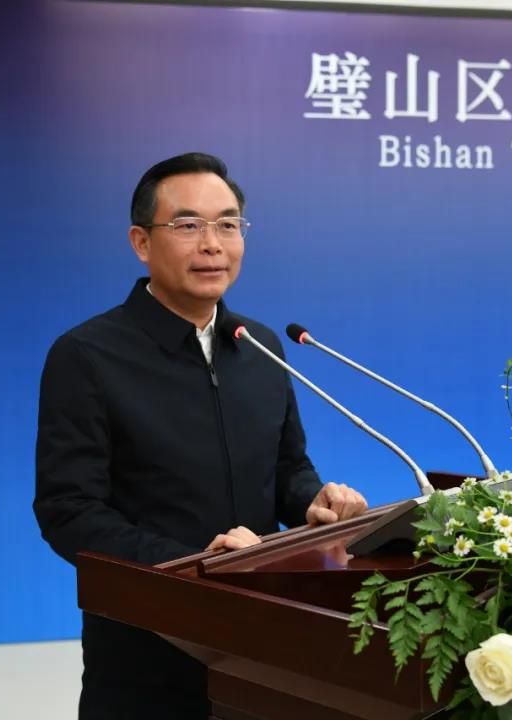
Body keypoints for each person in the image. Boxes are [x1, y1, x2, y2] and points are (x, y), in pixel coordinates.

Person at [33, 152, 369, 719]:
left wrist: (313, 502)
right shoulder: (87, 355)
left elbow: (287, 468)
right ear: (141, 242)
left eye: (228, 224)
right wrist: (192, 565)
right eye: (188, 225)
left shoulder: (258, 344)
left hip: (265, 629)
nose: (213, 244)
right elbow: (67, 511)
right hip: (148, 643)